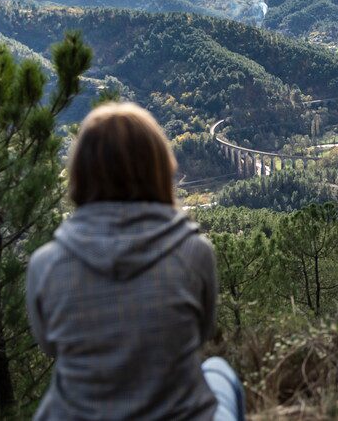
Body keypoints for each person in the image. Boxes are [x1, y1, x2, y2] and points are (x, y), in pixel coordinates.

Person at [26, 102, 245, 421]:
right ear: (158, 167)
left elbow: (51, 347)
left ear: (79, 175)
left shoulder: (44, 265)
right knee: (218, 371)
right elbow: (200, 332)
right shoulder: (194, 251)